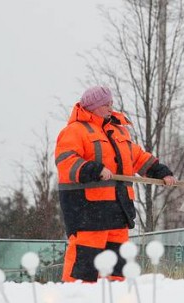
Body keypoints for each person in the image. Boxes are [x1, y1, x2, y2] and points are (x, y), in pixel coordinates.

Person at [54, 85, 176, 282]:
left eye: (111, 103)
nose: (111, 108)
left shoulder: (118, 132)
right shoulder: (74, 131)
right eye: (106, 104)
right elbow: (66, 161)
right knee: (85, 263)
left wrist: (160, 172)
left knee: (118, 264)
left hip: (118, 210)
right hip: (87, 212)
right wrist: (94, 170)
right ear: (92, 107)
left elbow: (137, 157)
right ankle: (75, 298)